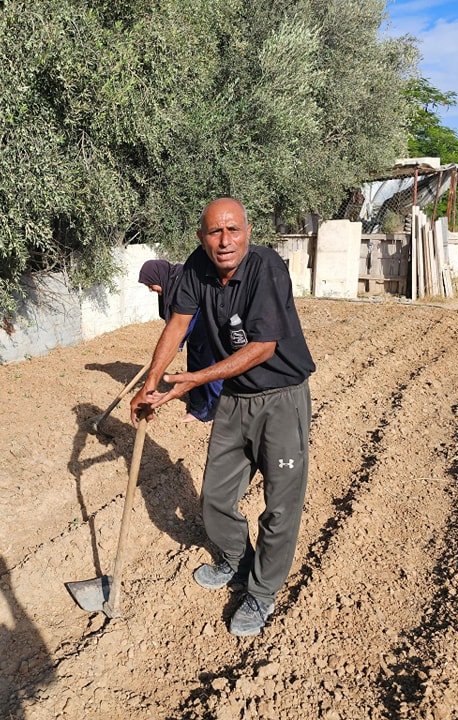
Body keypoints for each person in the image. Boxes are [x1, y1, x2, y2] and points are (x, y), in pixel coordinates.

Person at [129, 197, 315, 637]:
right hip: (235, 399)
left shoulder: (266, 268)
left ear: (248, 232)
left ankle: (262, 591)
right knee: (214, 497)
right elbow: (177, 325)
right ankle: (237, 559)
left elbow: (263, 347)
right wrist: (151, 384)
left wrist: (193, 380)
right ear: (201, 237)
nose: (225, 240)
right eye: (215, 232)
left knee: (280, 507)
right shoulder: (196, 267)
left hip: (281, 400)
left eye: (233, 230)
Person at [137, 259, 223, 422]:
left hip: (209, 329)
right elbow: (172, 321)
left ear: (158, 277)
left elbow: (189, 315)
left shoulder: (184, 281)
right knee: (194, 367)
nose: (151, 289)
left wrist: (175, 343)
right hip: (195, 334)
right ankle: (198, 409)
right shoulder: (169, 286)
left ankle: (214, 410)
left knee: (209, 370)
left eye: (151, 285)